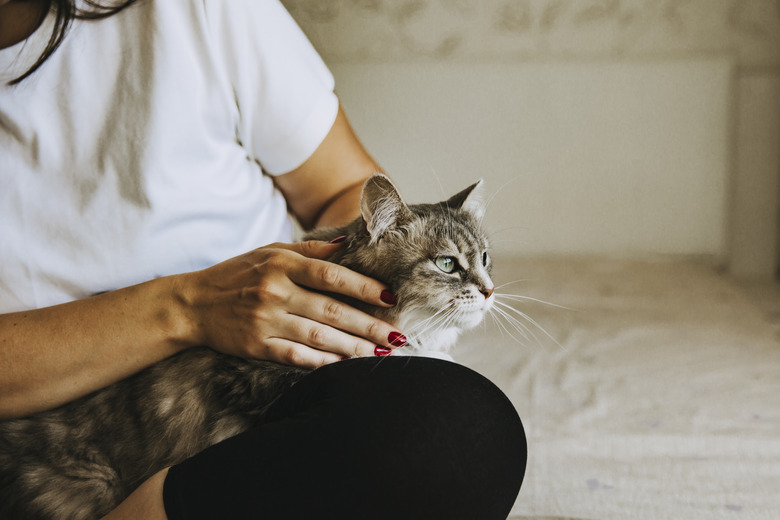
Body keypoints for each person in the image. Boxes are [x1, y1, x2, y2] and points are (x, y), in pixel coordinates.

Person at [0, 1, 527, 518]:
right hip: (61, 433)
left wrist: (356, 282)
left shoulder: (201, 9)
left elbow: (342, 186)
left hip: (288, 341)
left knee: (463, 433)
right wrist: (190, 307)